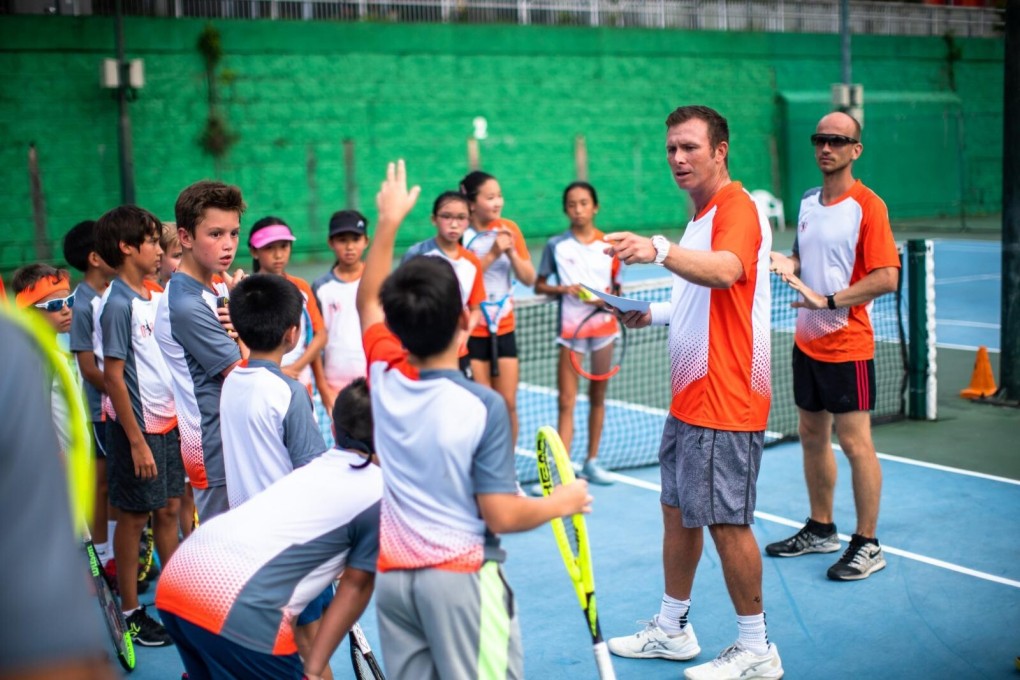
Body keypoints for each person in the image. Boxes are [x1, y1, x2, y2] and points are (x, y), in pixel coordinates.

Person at [358, 160, 592, 680]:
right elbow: (503, 515)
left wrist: (389, 221)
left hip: (394, 582)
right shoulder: (482, 406)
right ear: (465, 321)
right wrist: (564, 500)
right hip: (461, 578)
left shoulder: (383, 375)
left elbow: (367, 302)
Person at [604, 105, 783, 680]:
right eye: (672, 150)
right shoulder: (701, 216)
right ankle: (672, 628)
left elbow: (728, 271)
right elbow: (704, 298)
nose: (678, 159)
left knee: (727, 521)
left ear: (720, 150)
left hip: (726, 395)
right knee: (678, 513)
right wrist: (653, 312)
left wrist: (657, 250)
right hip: (690, 395)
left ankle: (757, 647)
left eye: (690, 148)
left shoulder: (738, 208)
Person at [155, 379, 382, 680]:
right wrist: (312, 669)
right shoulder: (379, 493)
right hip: (235, 605)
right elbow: (357, 585)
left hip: (180, 573)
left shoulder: (314, 467)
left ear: (336, 430)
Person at [765, 111, 900, 581]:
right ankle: (821, 528)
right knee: (811, 435)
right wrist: (790, 260)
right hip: (807, 340)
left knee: (855, 443)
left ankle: (868, 543)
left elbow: (886, 276)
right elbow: (811, 255)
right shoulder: (806, 201)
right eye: (820, 139)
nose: (827, 147)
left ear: (855, 150)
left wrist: (828, 300)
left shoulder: (869, 206)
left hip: (848, 344)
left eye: (838, 141)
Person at [219, 272, 332, 673]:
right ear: (293, 333)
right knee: (312, 653)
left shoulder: (231, 382)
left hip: (246, 545)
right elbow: (315, 475)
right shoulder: (289, 392)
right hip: (292, 549)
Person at [0, 310, 117, 680]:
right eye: (52, 304)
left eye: (65, 301)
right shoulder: (15, 350)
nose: (64, 310)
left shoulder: (22, 348)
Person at [95, 205, 182, 648]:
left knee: (168, 509)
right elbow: (113, 376)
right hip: (137, 430)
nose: (157, 248)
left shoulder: (152, 295)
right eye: (150, 241)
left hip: (166, 423)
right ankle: (129, 610)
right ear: (127, 248)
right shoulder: (117, 304)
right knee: (133, 518)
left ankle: (178, 600)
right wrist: (135, 442)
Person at [155, 180, 245, 523]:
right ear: (186, 237)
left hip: (232, 438)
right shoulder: (186, 304)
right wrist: (246, 324)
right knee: (223, 558)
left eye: (234, 233)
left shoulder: (216, 284)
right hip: (213, 447)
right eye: (216, 234)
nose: (228, 245)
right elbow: (245, 374)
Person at [534, 181, 621, 485]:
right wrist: (563, 289)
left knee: (598, 396)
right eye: (572, 204)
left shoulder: (610, 246)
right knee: (566, 401)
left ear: (594, 207)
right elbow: (539, 284)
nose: (578, 209)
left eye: (584, 203)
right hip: (570, 332)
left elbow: (617, 289)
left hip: (604, 331)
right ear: (565, 209)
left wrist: (605, 299)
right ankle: (563, 467)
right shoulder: (556, 246)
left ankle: (592, 462)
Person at [460, 170, 536, 443]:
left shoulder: (509, 229)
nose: (497, 202)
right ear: (471, 202)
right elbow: (462, 281)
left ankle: (508, 469)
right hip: (471, 332)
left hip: (504, 328)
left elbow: (528, 277)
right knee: (482, 407)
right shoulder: (461, 234)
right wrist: (491, 254)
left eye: (499, 196)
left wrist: (510, 251)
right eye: (490, 197)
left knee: (507, 404)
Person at [64, 219, 119, 565]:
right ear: (96, 257)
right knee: (102, 484)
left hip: (119, 406)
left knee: (116, 486)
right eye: (113, 245)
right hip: (101, 409)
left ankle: (113, 552)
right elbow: (88, 367)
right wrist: (120, 393)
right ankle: (101, 554)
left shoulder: (114, 295)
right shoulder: (81, 303)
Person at [402, 190, 486, 378]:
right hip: (420, 353)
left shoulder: (472, 263)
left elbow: (475, 308)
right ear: (434, 219)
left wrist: (465, 334)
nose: (454, 224)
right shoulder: (416, 255)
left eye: (461, 217)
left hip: (457, 355)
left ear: (469, 220)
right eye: (446, 217)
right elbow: (400, 302)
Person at [248, 217, 330, 401]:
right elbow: (242, 345)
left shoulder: (301, 287)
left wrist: (296, 368)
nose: (278, 254)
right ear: (254, 251)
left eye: (284, 246)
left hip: (301, 384)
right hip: (262, 388)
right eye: (270, 248)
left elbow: (320, 334)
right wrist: (277, 371)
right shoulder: (246, 290)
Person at [12, 263, 77, 453]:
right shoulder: (35, 356)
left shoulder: (58, 345)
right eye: (54, 305)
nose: (66, 310)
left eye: (69, 301)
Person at [313, 209, 370, 414]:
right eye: (342, 239)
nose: (349, 246)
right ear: (331, 243)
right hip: (334, 388)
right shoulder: (321, 287)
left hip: (373, 382)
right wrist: (323, 388)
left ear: (366, 241)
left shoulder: (377, 282)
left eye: (355, 239)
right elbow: (315, 341)